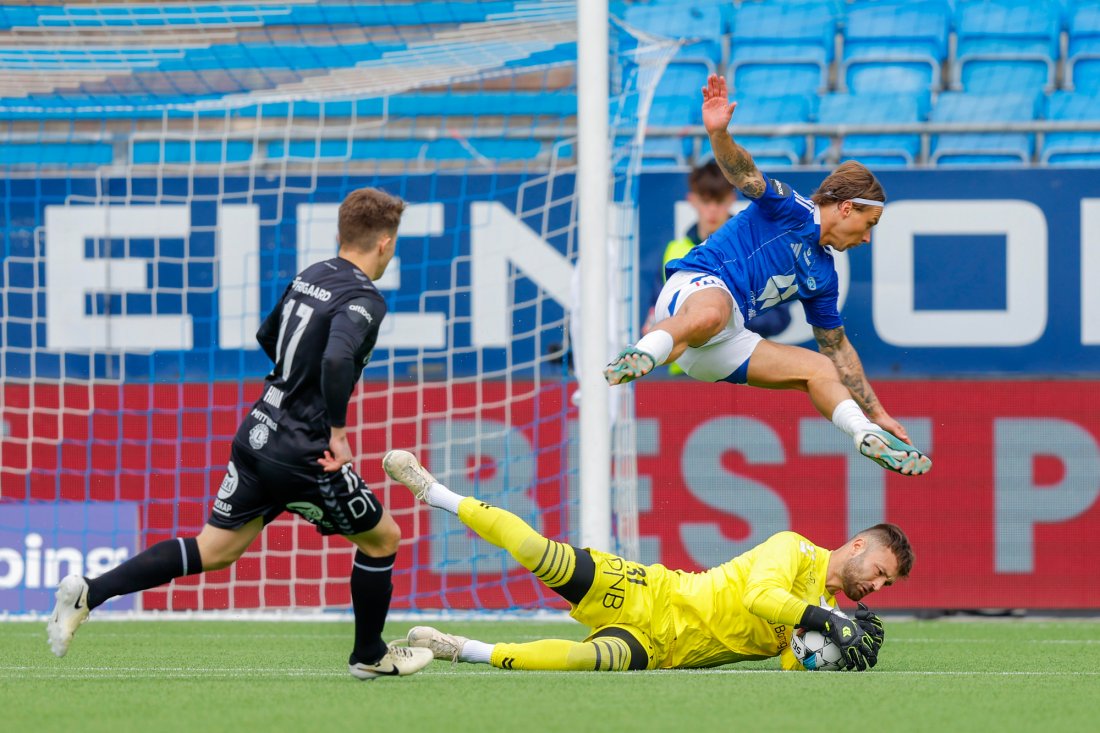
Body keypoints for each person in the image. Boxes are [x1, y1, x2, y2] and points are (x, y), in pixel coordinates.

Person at [46, 188, 434, 680]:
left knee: (215, 550)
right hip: (306, 452)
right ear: (384, 243)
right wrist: (336, 430)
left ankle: (89, 591)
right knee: (383, 539)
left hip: (259, 431)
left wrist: (291, 385)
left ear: (341, 234)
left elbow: (268, 336)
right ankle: (369, 654)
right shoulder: (364, 299)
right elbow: (337, 358)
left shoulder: (310, 275)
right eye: (393, 243)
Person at [606, 74, 931, 477]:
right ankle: (641, 353)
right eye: (870, 223)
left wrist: (877, 412)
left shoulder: (824, 275)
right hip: (695, 288)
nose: (867, 238)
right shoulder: (791, 208)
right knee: (713, 313)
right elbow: (745, 174)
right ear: (847, 208)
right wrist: (719, 136)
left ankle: (864, 434)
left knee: (819, 370)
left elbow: (838, 349)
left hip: (721, 342)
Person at [383, 449, 905, 673]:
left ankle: (462, 649)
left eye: (887, 585)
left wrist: (836, 655)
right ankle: (437, 493)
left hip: (660, 651)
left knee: (582, 661)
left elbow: (797, 663)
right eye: (881, 571)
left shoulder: (820, 608)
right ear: (857, 546)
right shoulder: (793, 549)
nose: (879, 586)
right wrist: (828, 619)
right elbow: (758, 598)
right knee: (537, 553)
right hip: (649, 594)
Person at [643, 160, 792, 376]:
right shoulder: (673, 252)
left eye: (719, 200)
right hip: (687, 375)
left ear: (731, 199)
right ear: (692, 200)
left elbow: (779, 317)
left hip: (743, 369)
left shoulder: (754, 249)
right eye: (705, 201)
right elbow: (655, 315)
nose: (712, 209)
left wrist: (722, 322)